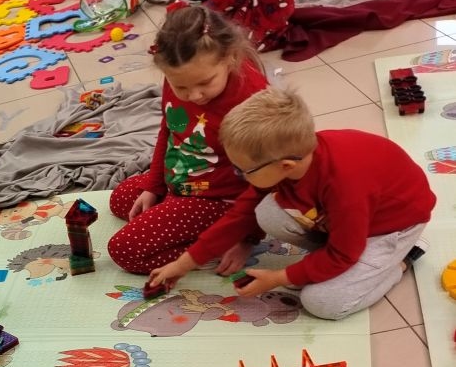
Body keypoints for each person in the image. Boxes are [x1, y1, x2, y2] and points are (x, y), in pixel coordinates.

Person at [147, 88, 433, 321]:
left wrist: (278, 277)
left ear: (284, 166)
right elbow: (240, 215)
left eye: (243, 170)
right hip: (346, 223)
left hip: (390, 228)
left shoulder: (345, 185)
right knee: (266, 213)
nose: (239, 176)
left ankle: (401, 262)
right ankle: (332, 257)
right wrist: (183, 264)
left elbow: (344, 254)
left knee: (322, 302)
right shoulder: (291, 160)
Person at [106, 5, 268, 275]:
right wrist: (154, 186)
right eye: (181, 87)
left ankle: (219, 238)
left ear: (230, 57)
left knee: (125, 251)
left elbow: (267, 178)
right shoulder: (182, 70)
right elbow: (170, 129)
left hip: (221, 199)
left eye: (205, 83)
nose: (193, 95)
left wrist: (247, 237)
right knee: (120, 199)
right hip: (183, 183)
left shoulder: (251, 101)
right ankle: (193, 221)